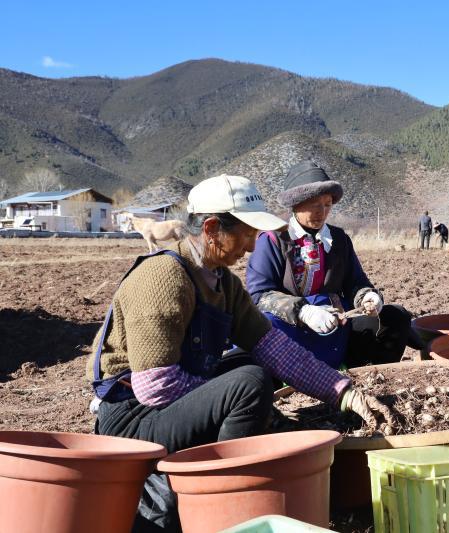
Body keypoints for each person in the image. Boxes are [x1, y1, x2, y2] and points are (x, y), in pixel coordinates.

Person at [87, 174, 394, 532]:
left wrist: (344, 393)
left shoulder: (223, 283)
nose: (250, 247)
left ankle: (234, 461)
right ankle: (221, 498)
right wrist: (235, 400)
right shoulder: (163, 278)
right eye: (247, 234)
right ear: (212, 229)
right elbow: (155, 387)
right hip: (133, 423)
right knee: (248, 383)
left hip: (167, 408)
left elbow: (275, 348)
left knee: (249, 366)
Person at [246, 160, 422, 370]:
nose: (322, 212)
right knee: (262, 332)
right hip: (290, 328)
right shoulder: (273, 240)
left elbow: (356, 281)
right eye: (314, 204)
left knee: (396, 317)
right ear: (295, 204)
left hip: (338, 325)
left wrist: (366, 296)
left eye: (327, 204)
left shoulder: (338, 239)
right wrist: (304, 311)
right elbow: (260, 295)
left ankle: (364, 374)